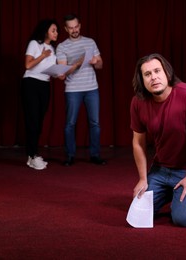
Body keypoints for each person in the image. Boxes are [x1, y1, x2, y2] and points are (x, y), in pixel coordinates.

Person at [130, 53, 186, 227]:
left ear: (167, 72)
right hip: (161, 169)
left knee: (182, 219)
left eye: (157, 71)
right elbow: (138, 143)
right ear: (142, 80)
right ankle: (171, 191)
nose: (153, 77)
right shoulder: (138, 102)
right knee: (140, 214)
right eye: (147, 74)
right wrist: (143, 178)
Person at [56, 14, 106, 166]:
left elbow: (100, 65)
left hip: (92, 88)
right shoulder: (62, 46)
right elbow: (63, 72)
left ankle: (95, 155)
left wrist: (94, 61)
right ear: (66, 29)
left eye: (76, 27)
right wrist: (80, 61)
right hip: (73, 89)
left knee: (95, 123)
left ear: (80, 26)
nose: (74, 30)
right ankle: (70, 155)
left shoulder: (90, 42)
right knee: (70, 123)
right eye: (70, 28)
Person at [21, 19, 59, 170]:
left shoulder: (53, 49)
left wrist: (59, 73)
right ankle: (32, 155)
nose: (56, 33)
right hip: (31, 83)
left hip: (45, 85)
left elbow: (51, 69)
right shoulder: (34, 44)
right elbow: (28, 65)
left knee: (39, 121)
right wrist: (43, 55)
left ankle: (33, 155)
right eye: (53, 30)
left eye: (56, 31)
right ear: (46, 31)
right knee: (33, 120)